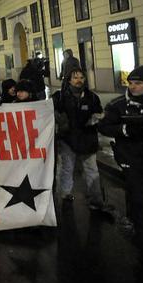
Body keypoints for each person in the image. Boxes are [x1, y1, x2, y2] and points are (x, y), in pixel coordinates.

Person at [98, 65, 143, 265]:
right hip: (132, 161)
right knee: (139, 202)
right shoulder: (118, 105)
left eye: (138, 83)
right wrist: (125, 129)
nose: (133, 86)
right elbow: (104, 126)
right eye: (130, 83)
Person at [52, 68, 105, 209]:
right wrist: (59, 119)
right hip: (68, 139)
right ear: (69, 80)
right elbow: (49, 112)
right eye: (75, 77)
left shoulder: (92, 97)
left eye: (81, 77)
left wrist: (95, 119)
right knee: (67, 168)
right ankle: (66, 194)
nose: (79, 80)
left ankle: (96, 198)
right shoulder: (59, 97)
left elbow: (99, 114)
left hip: (87, 139)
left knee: (91, 169)